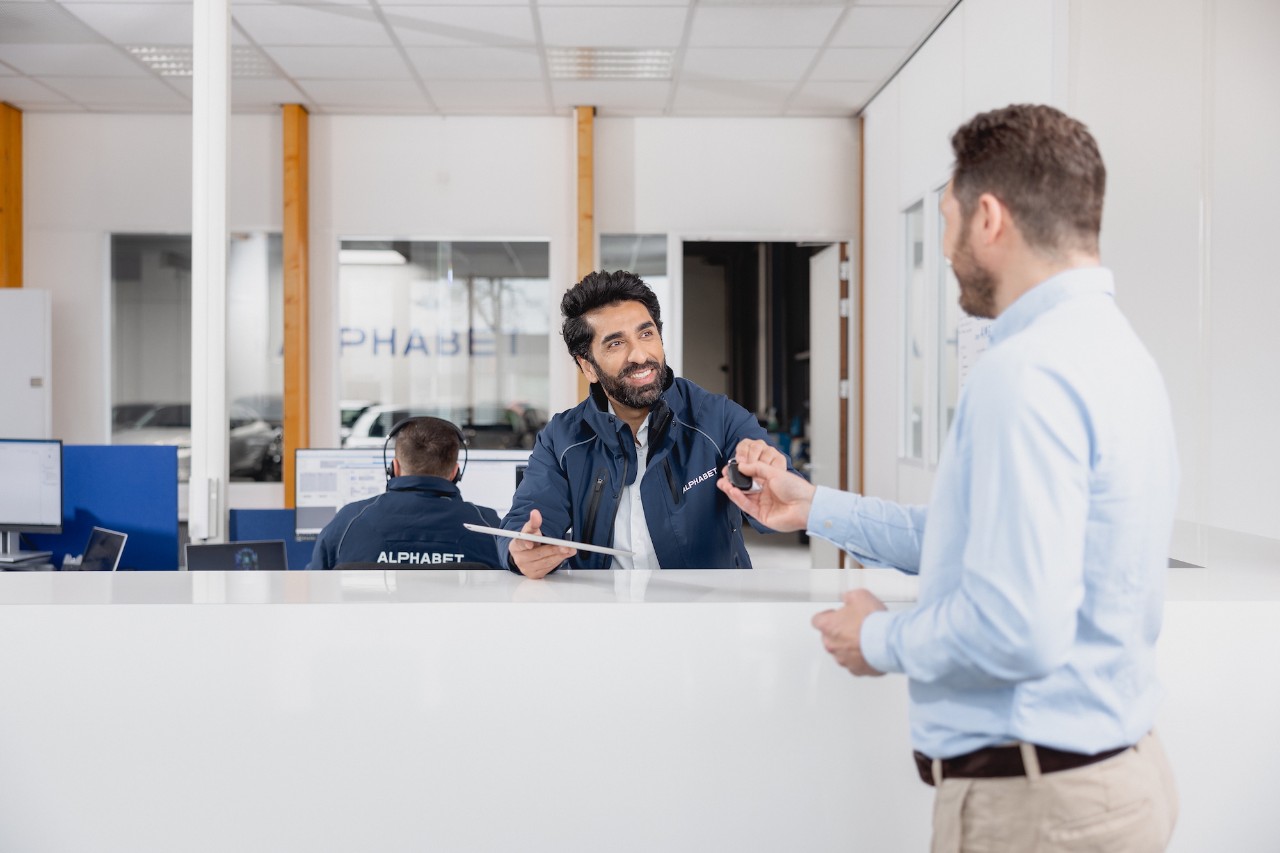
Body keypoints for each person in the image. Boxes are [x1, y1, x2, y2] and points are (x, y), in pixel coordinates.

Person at [720, 104, 1179, 851]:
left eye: (946, 218)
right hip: (1107, 777)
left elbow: (1016, 628)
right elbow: (967, 540)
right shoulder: (1116, 353)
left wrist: (878, 636)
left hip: (1040, 810)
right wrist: (815, 507)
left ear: (989, 217)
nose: (942, 247)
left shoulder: (1024, 372)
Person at [501, 269, 793, 577]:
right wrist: (520, 549)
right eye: (615, 343)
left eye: (646, 334)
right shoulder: (561, 438)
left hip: (707, 611)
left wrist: (768, 480)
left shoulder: (717, 417)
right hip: (603, 614)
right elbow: (527, 520)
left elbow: (779, 488)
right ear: (588, 367)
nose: (640, 355)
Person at [307, 416, 503, 569]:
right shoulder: (489, 527)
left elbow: (314, 590)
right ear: (456, 472)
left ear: (394, 468)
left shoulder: (347, 522)